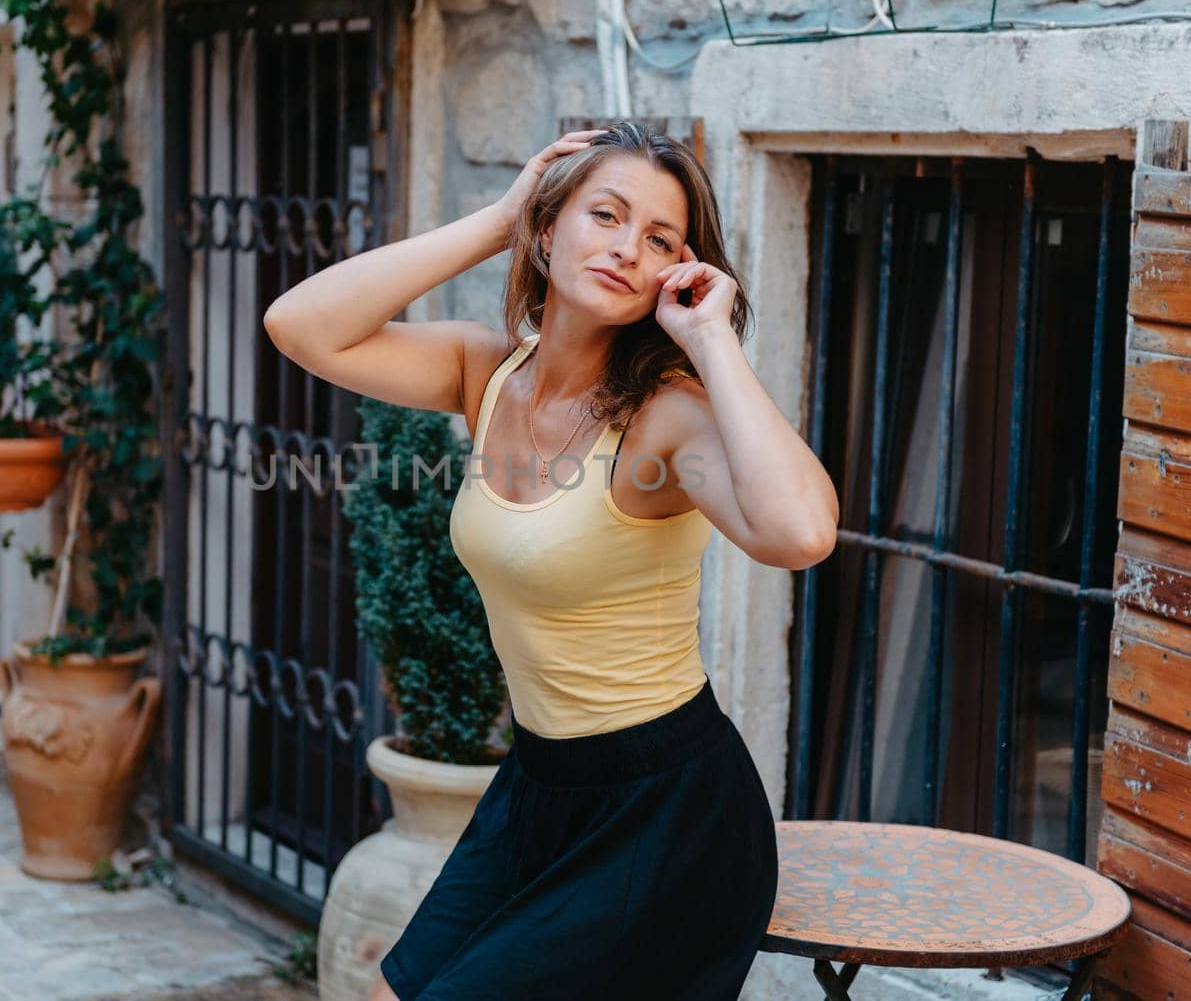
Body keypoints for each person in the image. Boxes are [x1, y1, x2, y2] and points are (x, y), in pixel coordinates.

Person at [262, 122, 839, 1000]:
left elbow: (799, 535)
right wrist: (497, 217)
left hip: (668, 813)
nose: (623, 248)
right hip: (539, 785)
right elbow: (300, 326)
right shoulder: (486, 372)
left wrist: (713, 342)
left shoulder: (665, 418)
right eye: (602, 215)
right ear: (547, 228)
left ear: (677, 274)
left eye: (658, 241)